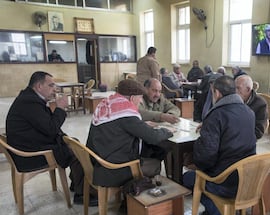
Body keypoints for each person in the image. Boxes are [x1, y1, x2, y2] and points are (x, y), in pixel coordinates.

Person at [5, 71, 95, 206]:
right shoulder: (30, 103)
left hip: (30, 144)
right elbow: (51, 129)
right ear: (39, 86)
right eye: (51, 85)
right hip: (29, 155)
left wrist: (65, 138)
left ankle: (76, 183)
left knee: (73, 142)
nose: (55, 89)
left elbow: (46, 125)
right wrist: (59, 108)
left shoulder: (30, 98)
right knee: (76, 151)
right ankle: (81, 194)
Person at [183, 76, 257, 215]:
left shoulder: (216, 115)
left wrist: (196, 150)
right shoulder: (249, 112)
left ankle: (216, 213)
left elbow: (206, 157)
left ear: (216, 93)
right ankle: (219, 209)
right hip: (247, 176)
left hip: (224, 180)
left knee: (187, 178)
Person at [86, 79, 173, 184]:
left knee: (153, 150)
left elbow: (119, 126)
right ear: (132, 98)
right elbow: (153, 137)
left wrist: (142, 125)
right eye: (140, 98)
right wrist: (167, 131)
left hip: (99, 159)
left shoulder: (107, 104)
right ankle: (137, 190)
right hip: (113, 169)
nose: (141, 101)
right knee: (155, 164)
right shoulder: (126, 113)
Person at [235, 75, 267, 139]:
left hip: (246, 140)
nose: (235, 91)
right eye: (234, 88)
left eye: (238, 88)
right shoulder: (233, 99)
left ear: (248, 89)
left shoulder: (260, 104)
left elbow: (258, 132)